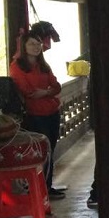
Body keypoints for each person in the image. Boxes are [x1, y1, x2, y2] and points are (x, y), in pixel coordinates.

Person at [9, 31, 64, 199]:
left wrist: (45, 92)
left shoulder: (43, 65)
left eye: (38, 44)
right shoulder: (17, 66)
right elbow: (28, 92)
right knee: (40, 151)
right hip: (35, 114)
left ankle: (47, 186)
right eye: (32, 44)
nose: (36, 47)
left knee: (50, 150)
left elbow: (57, 86)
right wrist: (47, 91)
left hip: (52, 111)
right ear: (24, 46)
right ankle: (38, 189)